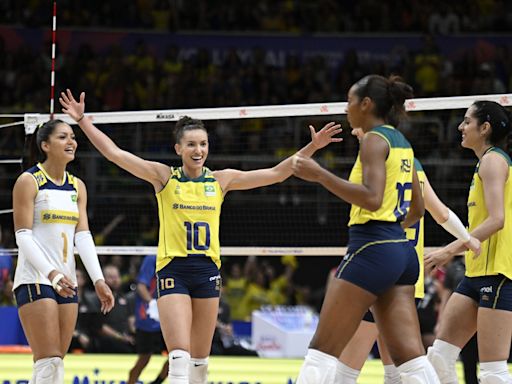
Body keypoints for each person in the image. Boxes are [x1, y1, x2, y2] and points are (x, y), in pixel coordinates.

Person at [59, 88, 342, 384]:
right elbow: (116, 154)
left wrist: (312, 147)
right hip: (174, 271)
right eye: (191, 144)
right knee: (178, 358)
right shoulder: (164, 177)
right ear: (178, 148)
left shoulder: (221, 180)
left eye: (203, 144)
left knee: (200, 364)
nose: (198, 150)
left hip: (207, 271)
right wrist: (82, 120)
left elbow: (276, 172)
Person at [292, 74, 440, 384]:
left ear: (366, 104)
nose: (346, 108)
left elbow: (372, 199)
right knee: (410, 359)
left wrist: (320, 175)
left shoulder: (374, 139)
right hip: (401, 251)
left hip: (372, 246)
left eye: (349, 101)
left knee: (321, 352)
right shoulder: (402, 142)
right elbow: (418, 210)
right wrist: (390, 232)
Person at [335, 127, 481, 384]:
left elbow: (372, 204)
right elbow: (441, 213)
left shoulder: (377, 164)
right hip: (405, 272)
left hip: (377, 265)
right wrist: (468, 238)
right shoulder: (411, 163)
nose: (355, 131)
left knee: (345, 366)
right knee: (398, 368)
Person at [12, 119, 114, 383]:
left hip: (66, 280)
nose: (71, 142)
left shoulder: (77, 186)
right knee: (48, 360)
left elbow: (83, 235)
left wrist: (98, 279)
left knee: (56, 362)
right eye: (63, 137)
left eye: (72, 137)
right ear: (45, 145)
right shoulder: (28, 181)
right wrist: (52, 274)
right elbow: (22, 237)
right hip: (36, 277)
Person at [424, 100, 512, 384]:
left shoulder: (493, 160)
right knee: (439, 358)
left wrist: (448, 250)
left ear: (484, 128)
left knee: (492, 373)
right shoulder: (483, 162)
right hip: (475, 273)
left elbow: (497, 219)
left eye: (466, 121)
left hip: (499, 274)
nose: (461, 127)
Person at [128, 254, 169, 384]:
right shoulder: (152, 258)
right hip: (148, 319)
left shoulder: (180, 259)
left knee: (178, 355)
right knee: (144, 358)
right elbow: (141, 286)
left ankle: (157, 382)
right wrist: (152, 304)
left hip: (168, 318)